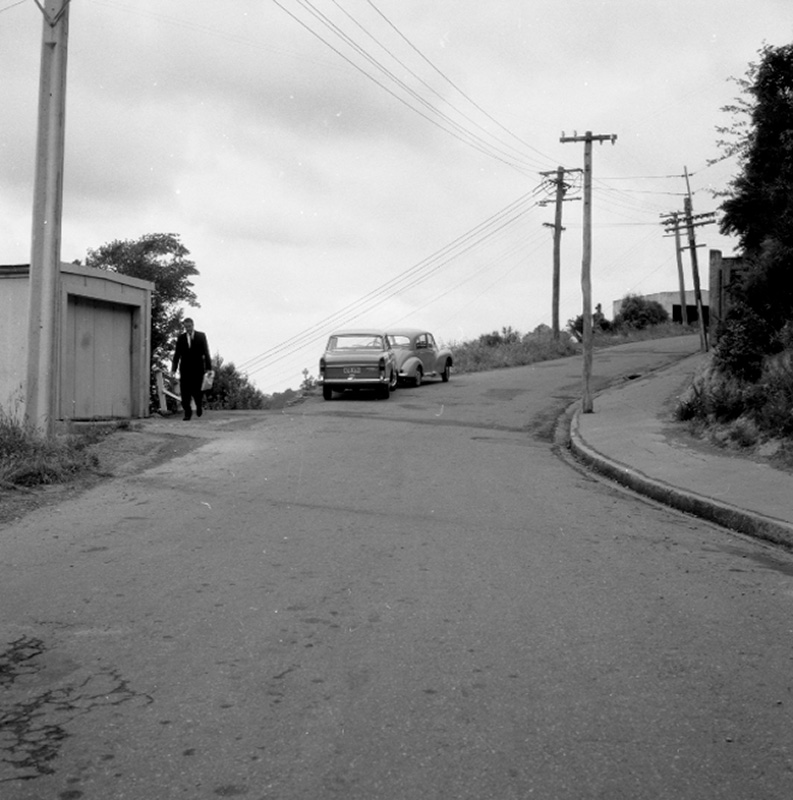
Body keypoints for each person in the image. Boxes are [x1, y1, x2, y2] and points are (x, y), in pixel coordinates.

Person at [171, 317, 212, 420]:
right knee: (185, 393)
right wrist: (173, 370)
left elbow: (206, 352)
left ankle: (199, 406)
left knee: (198, 392)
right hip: (185, 369)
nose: (188, 329)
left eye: (189, 327)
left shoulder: (201, 336)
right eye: (186, 327)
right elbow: (177, 355)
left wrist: (209, 368)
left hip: (198, 369)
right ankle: (187, 413)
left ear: (193, 325)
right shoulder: (181, 338)